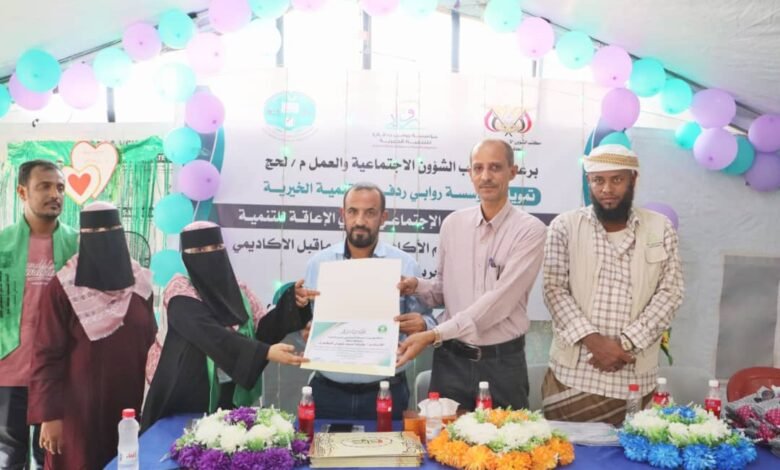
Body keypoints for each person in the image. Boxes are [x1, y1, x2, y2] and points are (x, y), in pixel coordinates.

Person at [397, 139, 547, 410]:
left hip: (502, 365)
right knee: (442, 436)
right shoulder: (453, 224)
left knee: (507, 436)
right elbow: (443, 291)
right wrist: (416, 285)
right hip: (450, 363)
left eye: (495, 168)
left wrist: (434, 334)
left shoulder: (530, 231)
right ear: (470, 174)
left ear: (512, 172)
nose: (485, 176)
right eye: (478, 168)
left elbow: (499, 303)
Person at [541, 144, 684, 425]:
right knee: (567, 451)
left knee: (632, 450)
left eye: (617, 179)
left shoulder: (660, 228)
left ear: (633, 179)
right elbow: (553, 290)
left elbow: (671, 292)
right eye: (598, 180)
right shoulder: (564, 226)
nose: (607, 189)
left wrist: (625, 343)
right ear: (589, 182)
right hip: (573, 375)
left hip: (634, 375)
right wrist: (595, 343)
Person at [142, 221, 313, 430]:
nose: (209, 255)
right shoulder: (180, 293)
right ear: (186, 257)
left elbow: (262, 329)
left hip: (230, 396)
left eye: (216, 247)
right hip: (185, 397)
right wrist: (265, 352)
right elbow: (210, 335)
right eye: (200, 251)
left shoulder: (238, 291)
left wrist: (292, 303)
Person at [27, 201, 157, 469]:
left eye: (110, 231)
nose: (104, 240)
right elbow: (46, 354)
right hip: (77, 412)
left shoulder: (140, 284)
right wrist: (50, 417)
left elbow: (151, 344)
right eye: (94, 233)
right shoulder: (64, 287)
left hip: (128, 406)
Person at [303, 182, 435, 420]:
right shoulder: (318, 264)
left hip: (386, 391)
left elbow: (428, 321)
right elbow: (306, 321)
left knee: (389, 446)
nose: (360, 221)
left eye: (370, 213)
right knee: (323, 446)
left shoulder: (406, 265)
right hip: (327, 391)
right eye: (352, 211)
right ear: (342, 214)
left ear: (383, 217)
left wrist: (423, 324)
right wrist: (305, 331)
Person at [0, 160, 77, 468]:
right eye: (44, 186)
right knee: (9, 457)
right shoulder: (3, 244)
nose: (55, 194)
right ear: (22, 192)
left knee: (54, 457)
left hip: (60, 372)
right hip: (9, 371)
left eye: (60, 188)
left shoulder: (77, 244)